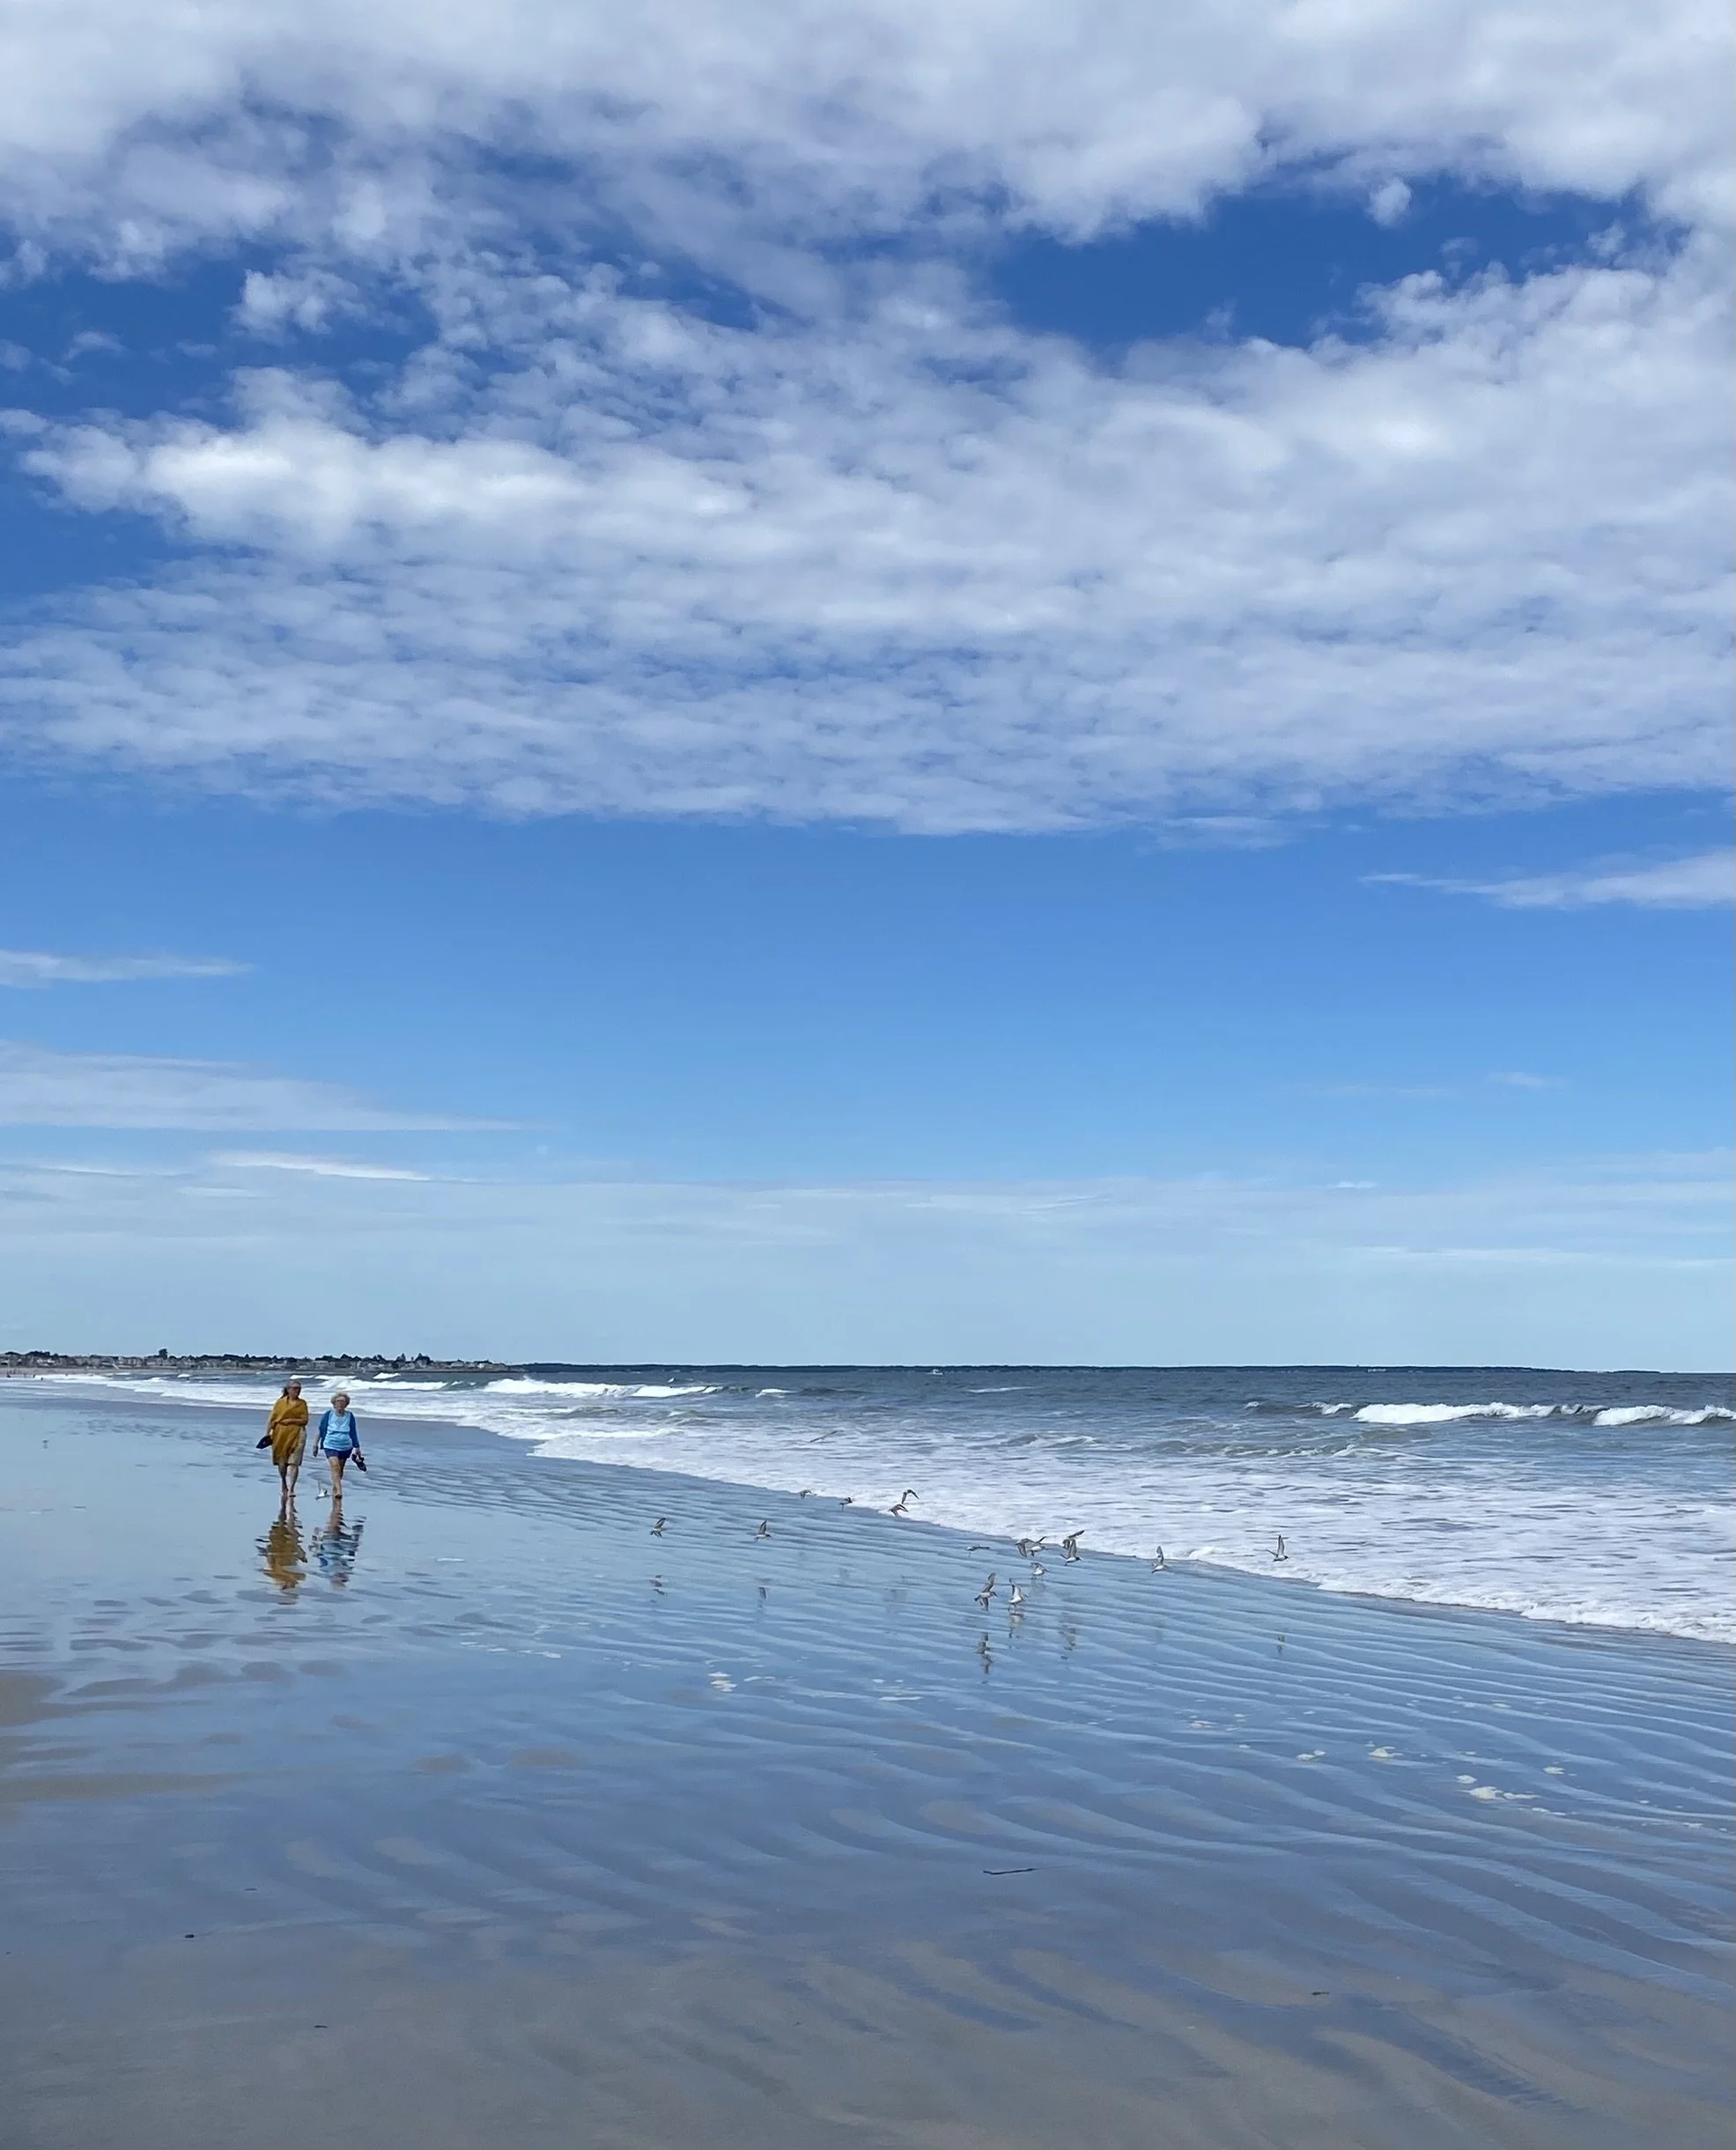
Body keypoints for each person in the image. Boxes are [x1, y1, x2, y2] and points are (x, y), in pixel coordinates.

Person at [314, 1391, 366, 1498]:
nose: (340, 1403)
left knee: (340, 1469)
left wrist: (357, 1447)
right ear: (334, 1403)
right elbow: (321, 1430)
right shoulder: (328, 1415)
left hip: (345, 1446)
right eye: (338, 1401)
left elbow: (353, 1432)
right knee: (335, 1466)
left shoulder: (349, 1416)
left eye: (343, 1401)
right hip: (330, 1444)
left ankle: (335, 1487)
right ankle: (339, 1490)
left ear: (346, 1404)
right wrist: (316, 1444)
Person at [264, 1379, 309, 1497]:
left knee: (294, 1462)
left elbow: (305, 1420)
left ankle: (292, 1488)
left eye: (299, 1388)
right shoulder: (280, 1402)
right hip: (280, 1434)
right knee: (282, 1462)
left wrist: (290, 1420)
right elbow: (272, 1419)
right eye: (295, 1388)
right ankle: (284, 1483)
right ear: (288, 1390)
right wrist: (267, 1434)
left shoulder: (302, 1403)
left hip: (298, 1433)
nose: (297, 1391)